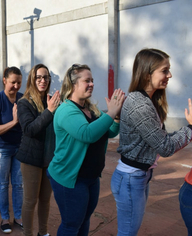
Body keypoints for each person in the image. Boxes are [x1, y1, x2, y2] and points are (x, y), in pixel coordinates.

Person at [110, 48, 192, 236]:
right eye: (164, 70)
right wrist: (191, 128)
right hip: (131, 178)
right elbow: (165, 147)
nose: (169, 75)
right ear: (148, 73)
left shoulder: (148, 100)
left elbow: (161, 139)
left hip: (137, 177)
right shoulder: (139, 104)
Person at [47, 64, 124, 235]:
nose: (91, 84)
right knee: (71, 223)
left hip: (90, 176)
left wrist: (116, 115)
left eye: (92, 81)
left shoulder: (90, 108)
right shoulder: (66, 109)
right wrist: (110, 113)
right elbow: (86, 134)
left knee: (84, 219)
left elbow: (110, 131)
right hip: (71, 177)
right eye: (87, 80)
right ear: (73, 84)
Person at [16, 64, 60, 236]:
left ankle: (44, 233)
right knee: (30, 201)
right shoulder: (24, 102)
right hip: (31, 158)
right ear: (32, 80)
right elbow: (29, 129)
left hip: (49, 158)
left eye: (46, 77)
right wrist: (49, 111)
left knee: (45, 200)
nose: (43, 80)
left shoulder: (49, 100)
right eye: (39, 77)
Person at [0, 66, 24, 234]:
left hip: (19, 148)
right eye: (12, 82)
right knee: (2, 184)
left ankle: (18, 216)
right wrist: (14, 122)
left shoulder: (23, 99)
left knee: (18, 185)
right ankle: (4, 217)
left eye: (19, 83)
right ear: (4, 80)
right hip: (0, 149)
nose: (16, 86)